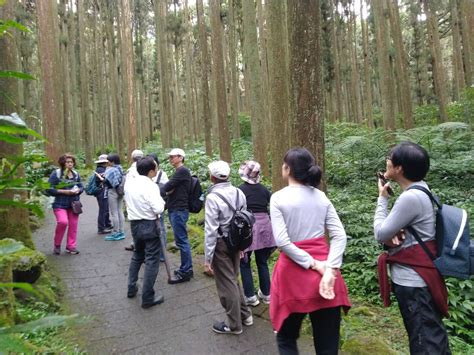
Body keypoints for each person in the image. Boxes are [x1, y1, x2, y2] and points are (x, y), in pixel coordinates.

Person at [270, 148, 351, 354]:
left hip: (293, 277)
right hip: (328, 276)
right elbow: (339, 236)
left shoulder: (278, 198)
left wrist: (314, 265)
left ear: (287, 169)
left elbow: (283, 242)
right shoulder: (321, 197)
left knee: (287, 337)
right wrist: (330, 269)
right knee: (328, 345)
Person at [374, 142, 450, 354]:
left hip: (414, 281)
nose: (387, 160)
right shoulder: (421, 189)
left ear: (399, 168)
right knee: (431, 335)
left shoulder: (411, 197)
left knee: (424, 341)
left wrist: (382, 200)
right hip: (422, 276)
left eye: (390, 157)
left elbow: (380, 232)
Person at [204, 160, 253, 335]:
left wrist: (208, 258)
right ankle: (246, 315)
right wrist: (241, 247)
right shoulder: (240, 192)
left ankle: (234, 325)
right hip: (236, 242)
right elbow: (244, 220)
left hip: (221, 244)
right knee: (233, 278)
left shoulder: (212, 198)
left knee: (226, 284)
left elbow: (211, 229)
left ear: (212, 178)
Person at [124, 156, 166, 308]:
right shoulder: (151, 186)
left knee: (137, 255)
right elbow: (158, 208)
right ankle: (148, 296)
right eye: (155, 168)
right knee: (151, 260)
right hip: (149, 224)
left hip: (135, 224)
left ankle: (131, 287)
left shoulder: (129, 184)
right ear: (150, 171)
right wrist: (162, 202)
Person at [238, 161, 276, 307]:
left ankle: (250, 296)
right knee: (262, 262)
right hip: (265, 227)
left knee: (245, 262)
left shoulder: (240, 190)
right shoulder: (265, 190)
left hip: (248, 227)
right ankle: (267, 294)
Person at [163, 148, 193, 284]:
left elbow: (168, 186)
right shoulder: (179, 172)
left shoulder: (182, 171)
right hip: (176, 208)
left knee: (182, 240)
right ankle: (185, 268)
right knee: (181, 239)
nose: (170, 159)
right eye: (170, 157)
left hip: (179, 209)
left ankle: (186, 271)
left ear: (180, 157)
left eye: (172, 157)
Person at [46, 153, 83, 255]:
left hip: (74, 204)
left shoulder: (76, 174)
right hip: (59, 204)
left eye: (71, 162)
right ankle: (57, 245)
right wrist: (63, 191)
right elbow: (48, 189)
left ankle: (71, 246)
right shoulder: (56, 174)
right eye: (67, 162)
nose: (70, 164)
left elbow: (81, 186)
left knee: (73, 225)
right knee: (63, 222)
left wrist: (78, 190)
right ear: (63, 163)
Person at [148, 153, 169, 262]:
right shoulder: (146, 174)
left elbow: (167, 188)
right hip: (150, 205)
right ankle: (157, 253)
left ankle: (162, 254)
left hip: (159, 204)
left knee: (161, 228)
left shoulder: (162, 174)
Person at [124, 149, 144, 251]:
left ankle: (136, 244)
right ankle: (138, 244)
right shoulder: (145, 167)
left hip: (133, 201)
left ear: (132, 158)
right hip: (142, 200)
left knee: (135, 223)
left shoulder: (131, 170)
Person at [103, 153, 125, 241]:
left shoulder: (111, 170)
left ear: (112, 161)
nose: (107, 162)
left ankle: (116, 232)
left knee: (114, 213)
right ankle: (121, 231)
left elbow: (108, 181)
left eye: (108, 161)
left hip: (112, 191)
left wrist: (102, 179)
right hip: (120, 191)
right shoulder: (120, 168)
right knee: (120, 211)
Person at [94, 154, 112, 235]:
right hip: (101, 191)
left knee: (105, 209)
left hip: (102, 191)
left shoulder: (100, 169)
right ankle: (101, 228)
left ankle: (107, 224)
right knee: (103, 209)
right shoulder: (101, 170)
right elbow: (105, 179)